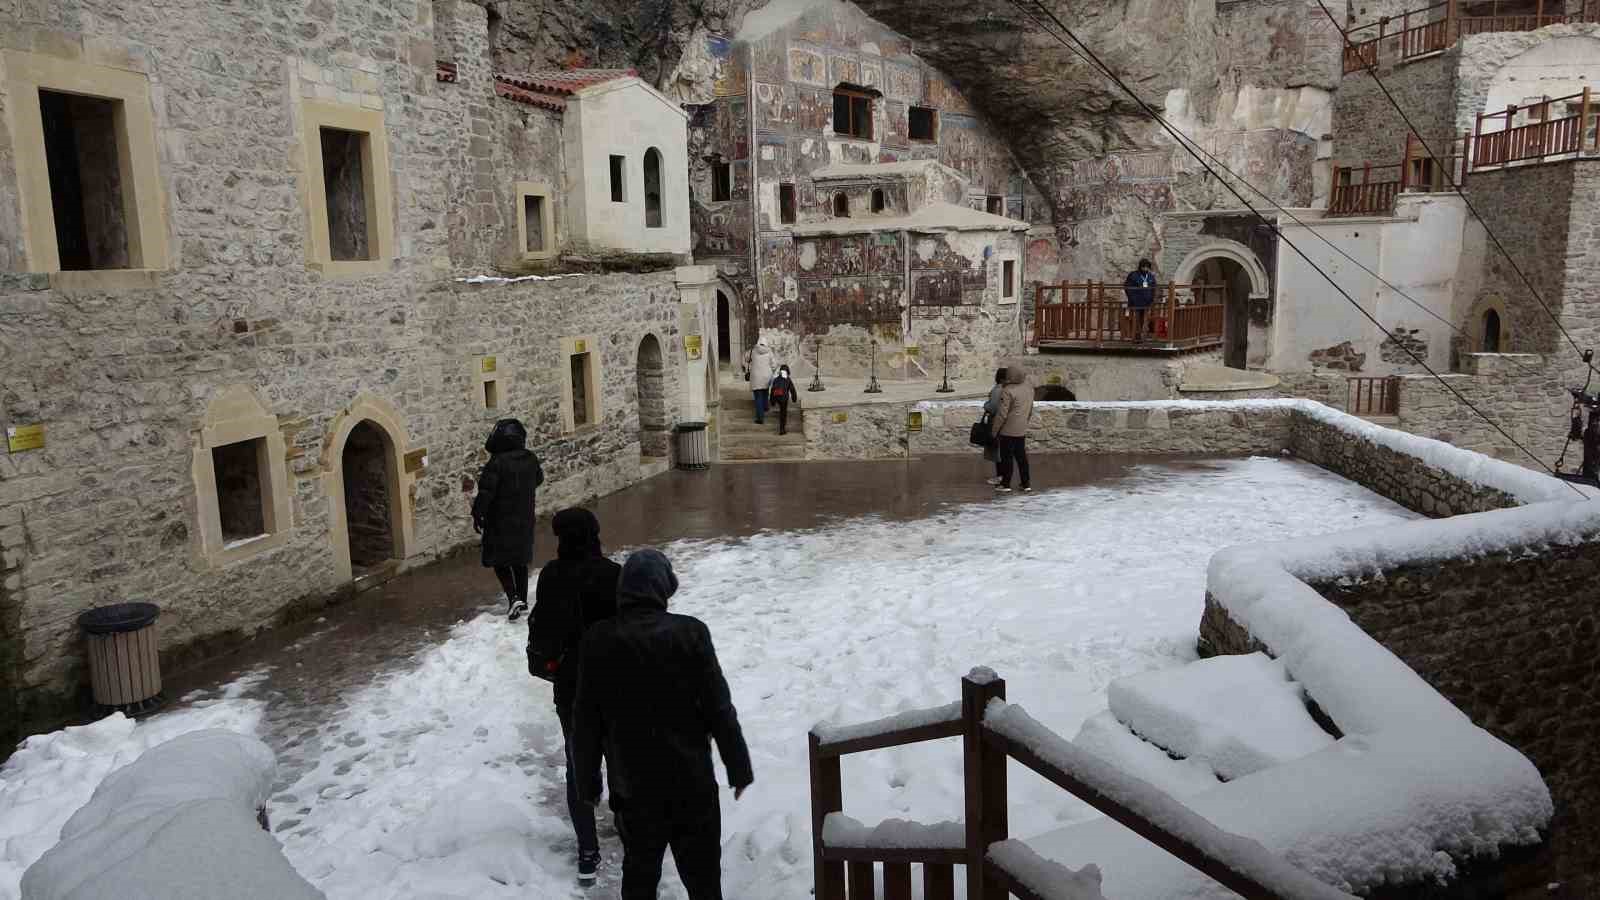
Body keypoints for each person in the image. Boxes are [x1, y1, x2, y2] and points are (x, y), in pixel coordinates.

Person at [573, 549, 753, 900]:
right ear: (663, 587)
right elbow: (719, 708)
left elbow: (586, 721)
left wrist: (588, 783)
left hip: (634, 788)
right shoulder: (691, 633)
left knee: (639, 878)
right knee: (703, 881)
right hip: (692, 784)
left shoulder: (598, 638)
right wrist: (738, 766)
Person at [527, 508, 621, 885]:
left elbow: (544, 629)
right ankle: (627, 824)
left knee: (579, 763)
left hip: (572, 688)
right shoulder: (615, 575)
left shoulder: (552, 576)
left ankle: (587, 848)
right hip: (615, 686)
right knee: (619, 758)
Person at [472, 418, 544, 620]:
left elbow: (486, 493)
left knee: (499, 559)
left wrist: (477, 514)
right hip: (524, 516)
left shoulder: (496, 463)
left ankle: (513, 598)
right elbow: (538, 479)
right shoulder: (530, 458)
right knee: (519, 560)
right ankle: (522, 600)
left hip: (500, 520)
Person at [991, 365, 1034, 493]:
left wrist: (995, 430)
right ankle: (1026, 483)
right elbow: (1030, 410)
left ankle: (1006, 484)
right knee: (1022, 458)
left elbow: (1002, 414)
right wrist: (1024, 422)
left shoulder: (1008, 390)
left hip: (1007, 430)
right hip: (1021, 429)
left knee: (1007, 458)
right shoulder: (1029, 389)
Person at [1124, 258, 1157, 344]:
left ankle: (1141, 335)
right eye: (1144, 267)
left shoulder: (1150, 276)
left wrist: (1151, 299)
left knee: (1143, 319)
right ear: (1140, 267)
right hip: (1135, 302)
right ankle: (1134, 335)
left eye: (1147, 267)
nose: (1145, 269)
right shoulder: (1133, 275)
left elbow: (1154, 288)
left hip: (1146, 302)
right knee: (1135, 319)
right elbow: (1128, 288)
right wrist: (1132, 298)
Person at [744, 336, 776, 425]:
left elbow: (746, 359)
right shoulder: (770, 352)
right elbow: (774, 365)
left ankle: (760, 418)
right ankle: (765, 407)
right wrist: (770, 371)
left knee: (758, 397)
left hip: (756, 377)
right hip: (767, 376)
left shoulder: (753, 351)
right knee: (765, 391)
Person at [983, 367, 1007, 486]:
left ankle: (1000, 477)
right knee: (1003, 451)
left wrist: (986, 405)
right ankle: (1003, 476)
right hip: (1006, 424)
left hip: (997, 423)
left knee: (998, 452)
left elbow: (992, 407)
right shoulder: (1007, 389)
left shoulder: (998, 390)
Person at [768, 364, 800, 435]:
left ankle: (782, 428)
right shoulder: (788, 379)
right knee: (783, 413)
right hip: (784, 398)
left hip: (777, 397)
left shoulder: (776, 379)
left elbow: (773, 390)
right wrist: (794, 398)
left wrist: (772, 401)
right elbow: (792, 389)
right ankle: (782, 429)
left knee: (781, 409)